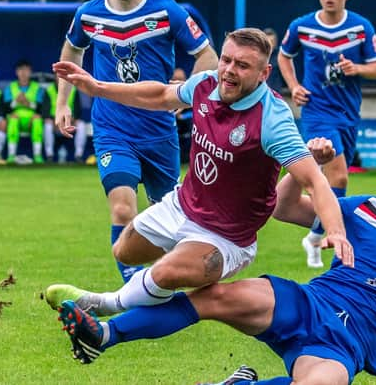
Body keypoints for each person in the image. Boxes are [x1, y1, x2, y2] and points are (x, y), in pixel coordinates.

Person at [48, 145, 376, 385]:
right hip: (306, 303)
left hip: (349, 343)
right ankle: (105, 336)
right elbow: (284, 209)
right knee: (213, 297)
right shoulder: (365, 208)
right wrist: (306, 165)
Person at [47, 28, 353, 321]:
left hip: (226, 237)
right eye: (226, 60)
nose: (229, 70)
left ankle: (105, 304)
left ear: (264, 74)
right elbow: (161, 95)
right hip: (180, 205)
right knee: (124, 252)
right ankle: (160, 284)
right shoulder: (205, 84)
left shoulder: (272, 118)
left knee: (165, 273)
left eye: (243, 65)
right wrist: (98, 87)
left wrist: (336, 231)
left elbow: (313, 179)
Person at [55, 0, 218, 282]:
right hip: (112, 129)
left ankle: (167, 282)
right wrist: (63, 102)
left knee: (170, 222)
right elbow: (71, 54)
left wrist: (185, 95)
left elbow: (207, 56)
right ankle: (134, 291)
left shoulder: (166, 10)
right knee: (121, 209)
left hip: (158, 133)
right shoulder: (88, 14)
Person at [277, 0, 376, 269]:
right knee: (337, 175)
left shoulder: (361, 27)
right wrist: (294, 86)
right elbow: (284, 56)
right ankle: (327, 235)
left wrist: (357, 69)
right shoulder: (302, 26)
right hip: (317, 113)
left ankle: (315, 232)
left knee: (332, 180)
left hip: (348, 113)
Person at [3, 59, 45, 164]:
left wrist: (28, 103)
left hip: (31, 117)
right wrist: (16, 102)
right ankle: (11, 155)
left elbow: (41, 107)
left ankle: (37, 155)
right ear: (17, 72)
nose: (23, 73)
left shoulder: (37, 88)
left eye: (26, 70)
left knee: (37, 121)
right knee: (12, 121)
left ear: (30, 72)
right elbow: (5, 107)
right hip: (16, 116)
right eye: (21, 70)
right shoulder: (10, 87)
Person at [42, 76, 87, 163]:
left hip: (69, 122)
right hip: (54, 123)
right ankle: (49, 155)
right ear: (55, 76)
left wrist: (71, 120)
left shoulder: (73, 90)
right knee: (47, 125)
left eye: (63, 76)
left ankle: (78, 155)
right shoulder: (49, 90)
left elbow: (78, 111)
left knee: (81, 124)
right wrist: (56, 121)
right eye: (58, 76)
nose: (60, 79)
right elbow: (45, 112)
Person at [263, 28, 284, 93]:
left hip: (275, 92)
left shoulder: (281, 56)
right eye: (269, 41)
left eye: (273, 41)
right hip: (260, 93)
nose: (271, 44)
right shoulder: (257, 56)